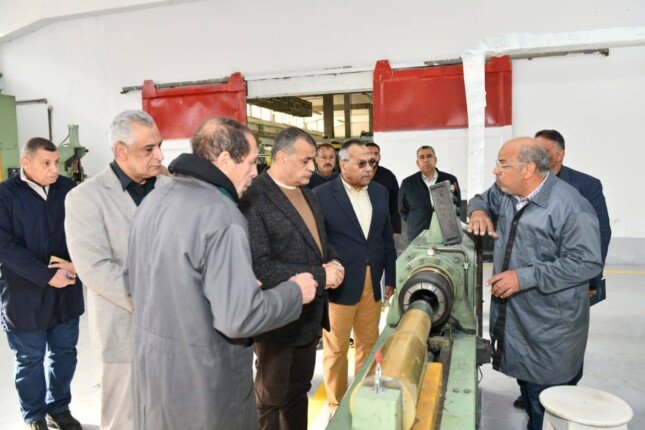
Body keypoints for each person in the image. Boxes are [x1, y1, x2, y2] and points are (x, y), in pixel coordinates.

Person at [125, 117, 317, 429]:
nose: (255, 173)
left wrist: (229, 283)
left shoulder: (154, 200)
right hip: (205, 388)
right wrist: (294, 292)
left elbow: (135, 281)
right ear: (226, 160)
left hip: (155, 383)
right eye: (252, 162)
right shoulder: (221, 214)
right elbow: (238, 318)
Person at [467, 137, 602, 430]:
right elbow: (480, 199)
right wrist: (477, 212)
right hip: (518, 321)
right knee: (529, 394)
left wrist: (524, 276)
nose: (495, 170)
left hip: (551, 329)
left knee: (548, 406)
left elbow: (587, 262)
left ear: (528, 169)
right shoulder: (506, 193)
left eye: (503, 164)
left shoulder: (571, 207)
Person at [65, 110, 169, 430]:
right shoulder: (86, 198)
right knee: (125, 419)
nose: (159, 155)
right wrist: (157, 302)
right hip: (125, 331)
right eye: (149, 149)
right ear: (121, 151)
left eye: (159, 146)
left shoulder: (172, 187)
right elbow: (94, 268)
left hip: (179, 332)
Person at [241, 126, 344, 430]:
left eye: (314, 160)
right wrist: (321, 275)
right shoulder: (254, 198)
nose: (313, 167)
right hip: (278, 322)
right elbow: (260, 267)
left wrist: (334, 260)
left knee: (298, 392)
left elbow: (319, 242)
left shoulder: (308, 194)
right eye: (306, 160)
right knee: (270, 398)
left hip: (308, 319)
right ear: (282, 157)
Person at [0, 138, 83, 430]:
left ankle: (58, 409)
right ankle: (34, 415)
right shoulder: (5, 195)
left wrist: (76, 265)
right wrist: (46, 275)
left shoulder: (68, 190)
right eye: (46, 163)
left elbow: (84, 233)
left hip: (66, 290)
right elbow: (5, 247)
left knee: (64, 353)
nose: (53, 169)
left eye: (56, 162)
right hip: (24, 294)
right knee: (30, 359)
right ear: (25, 162)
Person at [314, 139, 397, 416]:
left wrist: (390, 278)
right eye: (361, 163)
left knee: (368, 345)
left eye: (371, 162)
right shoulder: (322, 195)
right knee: (336, 349)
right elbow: (319, 241)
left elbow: (386, 238)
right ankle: (336, 405)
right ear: (343, 164)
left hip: (372, 281)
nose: (368, 168)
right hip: (340, 284)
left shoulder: (380, 192)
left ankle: (362, 399)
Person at [535, 129, 611, 303]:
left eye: (543, 151)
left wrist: (592, 278)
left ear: (560, 155)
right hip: (533, 278)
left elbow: (601, 233)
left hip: (571, 276)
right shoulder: (524, 183)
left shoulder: (587, 185)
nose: (536, 156)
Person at [399, 146, 460, 242]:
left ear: (435, 159)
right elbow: (402, 209)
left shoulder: (450, 179)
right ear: (417, 162)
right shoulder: (408, 183)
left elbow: (457, 204)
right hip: (417, 235)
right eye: (422, 157)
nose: (426, 160)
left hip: (446, 235)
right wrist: (415, 221)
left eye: (429, 156)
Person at [366, 142, 401, 235]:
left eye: (376, 154)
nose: (373, 156)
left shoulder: (388, 176)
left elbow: (395, 202)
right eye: (369, 153)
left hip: (383, 225)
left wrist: (395, 228)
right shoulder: (356, 175)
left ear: (379, 157)